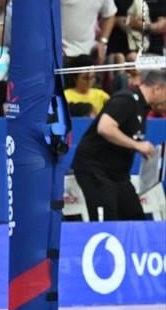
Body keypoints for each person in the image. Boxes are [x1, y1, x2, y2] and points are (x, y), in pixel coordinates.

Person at [71, 72, 166, 222]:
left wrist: (137, 147)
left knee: (135, 220)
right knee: (108, 223)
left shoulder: (142, 106)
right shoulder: (127, 99)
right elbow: (105, 127)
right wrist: (137, 145)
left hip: (118, 175)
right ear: (158, 88)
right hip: (96, 170)